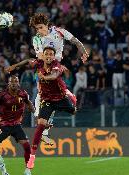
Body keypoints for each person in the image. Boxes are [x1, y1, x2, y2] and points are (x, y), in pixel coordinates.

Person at [29, 13, 88, 144]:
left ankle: (66, 94)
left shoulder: (59, 32)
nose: (39, 31)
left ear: (47, 25)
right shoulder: (37, 39)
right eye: (36, 29)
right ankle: (45, 131)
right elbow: (40, 56)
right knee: (43, 101)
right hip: (44, 68)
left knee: (46, 99)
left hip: (55, 69)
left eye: (40, 27)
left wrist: (83, 52)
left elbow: (76, 41)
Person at [24, 47, 76, 169]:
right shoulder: (39, 63)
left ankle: (70, 95)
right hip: (47, 100)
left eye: (51, 54)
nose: (48, 55)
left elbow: (53, 76)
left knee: (74, 111)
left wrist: (44, 77)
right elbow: (27, 61)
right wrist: (15, 65)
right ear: (43, 55)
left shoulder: (56, 65)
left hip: (61, 98)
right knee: (40, 124)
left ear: (54, 56)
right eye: (46, 53)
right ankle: (32, 157)